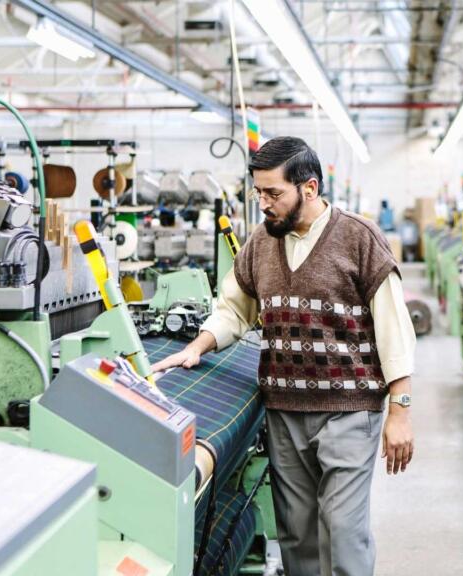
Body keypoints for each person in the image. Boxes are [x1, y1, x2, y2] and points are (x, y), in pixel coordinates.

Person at [151, 136, 416, 576]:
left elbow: (394, 329)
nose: (264, 204)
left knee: (343, 532)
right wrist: (197, 346)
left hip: (349, 411)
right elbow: (234, 309)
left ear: (308, 189)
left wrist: (400, 411)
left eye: (273, 194)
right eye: (258, 193)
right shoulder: (260, 242)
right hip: (285, 410)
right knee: (296, 535)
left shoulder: (359, 238)